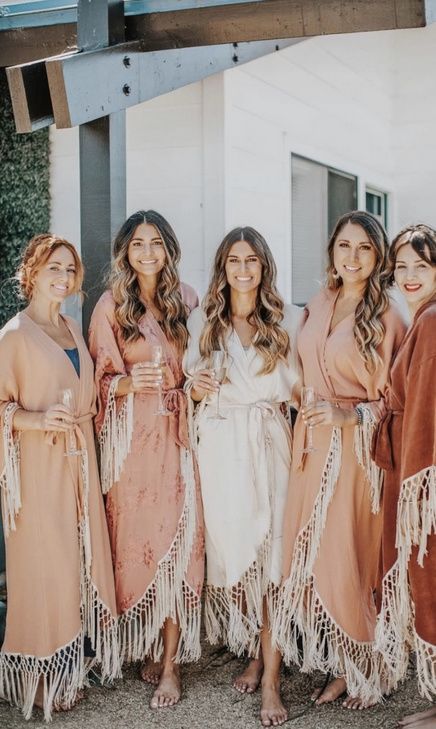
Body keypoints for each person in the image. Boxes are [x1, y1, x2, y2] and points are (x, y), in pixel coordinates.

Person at [273, 211, 406, 709]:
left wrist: (351, 415)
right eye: (344, 246)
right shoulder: (319, 303)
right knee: (312, 557)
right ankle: (341, 661)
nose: (352, 257)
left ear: (379, 257)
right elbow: (299, 368)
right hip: (309, 447)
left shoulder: (391, 315)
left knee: (351, 552)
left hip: (357, 453)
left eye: (364, 249)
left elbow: (399, 397)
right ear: (332, 250)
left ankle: (368, 664)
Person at [184, 226, 302, 727]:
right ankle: (258, 652)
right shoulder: (203, 321)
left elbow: (301, 389)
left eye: (252, 260)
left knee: (272, 555)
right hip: (220, 448)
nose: (243, 269)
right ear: (223, 267)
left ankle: (271, 679)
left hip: (269, 440)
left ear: (263, 266)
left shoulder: (286, 319)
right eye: (234, 260)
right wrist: (195, 386)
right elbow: (190, 383)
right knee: (241, 558)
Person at [0, 234, 119, 721]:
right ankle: (36, 675)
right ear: (31, 272)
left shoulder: (73, 326)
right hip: (37, 468)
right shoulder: (13, 335)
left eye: (70, 268)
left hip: (79, 463)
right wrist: (33, 420)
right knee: (42, 570)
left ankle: (68, 668)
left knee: (75, 565)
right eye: (54, 267)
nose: (64, 276)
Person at [88, 210, 204, 709]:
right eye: (139, 244)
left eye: (157, 242)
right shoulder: (111, 306)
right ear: (125, 252)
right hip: (133, 443)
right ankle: (147, 639)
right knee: (137, 546)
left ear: (169, 248)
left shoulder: (189, 300)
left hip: (181, 436)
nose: (148, 252)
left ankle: (173, 664)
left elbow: (207, 357)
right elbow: (96, 378)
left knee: (181, 545)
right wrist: (128, 382)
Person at [373, 224, 436, 729]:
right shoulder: (422, 319)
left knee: (431, 581)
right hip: (416, 474)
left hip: (424, 479)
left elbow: (423, 414)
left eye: (423, 265)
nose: (410, 275)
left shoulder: (432, 321)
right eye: (403, 266)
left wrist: (416, 494)